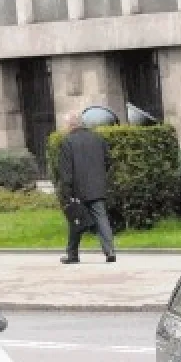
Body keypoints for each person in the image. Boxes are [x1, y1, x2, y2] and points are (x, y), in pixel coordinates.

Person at [58, 111, 116, 264]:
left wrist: (66, 191)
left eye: (65, 124)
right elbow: (109, 161)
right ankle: (110, 251)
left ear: (70, 125)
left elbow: (66, 170)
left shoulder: (67, 142)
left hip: (77, 189)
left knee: (75, 220)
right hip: (97, 187)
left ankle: (72, 254)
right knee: (101, 218)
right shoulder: (97, 138)